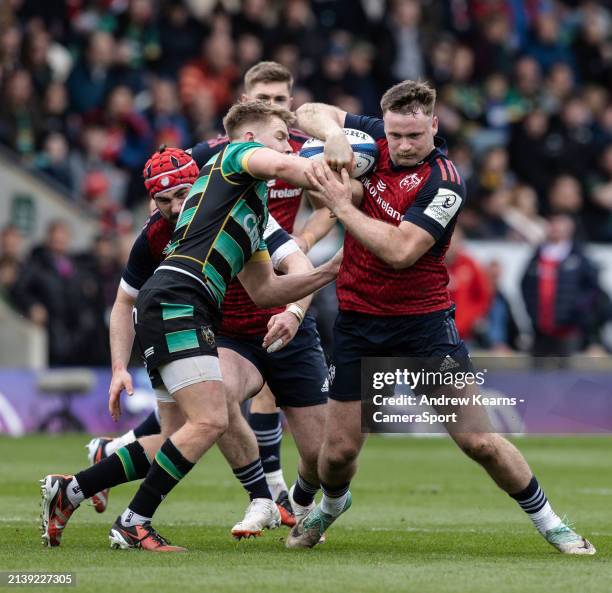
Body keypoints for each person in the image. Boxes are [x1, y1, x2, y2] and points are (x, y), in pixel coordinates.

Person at [284, 81, 595, 555]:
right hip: (359, 320)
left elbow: (402, 252)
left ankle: (552, 522)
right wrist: (334, 134)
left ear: (433, 125)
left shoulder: (445, 180)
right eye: (395, 135)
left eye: (414, 135)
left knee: (478, 441)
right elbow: (305, 109)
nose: (404, 146)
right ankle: (332, 504)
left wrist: (344, 206)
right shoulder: (376, 138)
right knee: (339, 452)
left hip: (422, 325)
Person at [40, 100, 341, 552]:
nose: (289, 145)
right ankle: (133, 522)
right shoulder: (237, 159)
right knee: (212, 419)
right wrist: (342, 159)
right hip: (181, 300)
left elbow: (265, 292)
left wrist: (331, 268)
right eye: (281, 136)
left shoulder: (253, 212)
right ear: (250, 139)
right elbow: (285, 164)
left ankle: (73, 491)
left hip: (182, 306)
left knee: (176, 432)